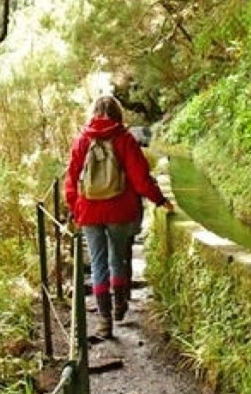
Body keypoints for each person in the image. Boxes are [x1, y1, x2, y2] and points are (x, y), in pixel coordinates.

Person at [65, 96, 173, 339]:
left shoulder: (82, 140)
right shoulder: (125, 140)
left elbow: (71, 179)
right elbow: (140, 179)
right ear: (118, 114)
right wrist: (160, 200)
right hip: (119, 210)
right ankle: (119, 305)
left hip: (89, 211)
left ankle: (104, 321)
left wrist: (75, 207)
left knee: (97, 263)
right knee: (117, 259)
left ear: (93, 113)